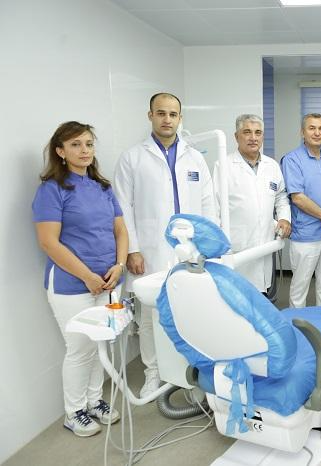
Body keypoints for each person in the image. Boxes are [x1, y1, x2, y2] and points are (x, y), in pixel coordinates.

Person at [114, 92, 216, 398]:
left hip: (191, 250)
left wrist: (209, 243)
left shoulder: (195, 158)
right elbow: (123, 208)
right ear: (150, 116)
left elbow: (208, 204)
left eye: (173, 114)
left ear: (180, 118)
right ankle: (153, 372)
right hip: (150, 251)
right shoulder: (133, 158)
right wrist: (132, 249)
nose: (167, 119)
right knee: (151, 316)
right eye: (161, 113)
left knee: (192, 311)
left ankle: (190, 369)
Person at [32, 121, 125, 437]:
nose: (84, 150)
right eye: (75, 144)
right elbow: (48, 242)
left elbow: (120, 230)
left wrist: (119, 265)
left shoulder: (103, 187)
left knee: (99, 345)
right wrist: (87, 276)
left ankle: (94, 401)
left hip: (108, 281)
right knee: (80, 349)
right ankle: (74, 413)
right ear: (60, 152)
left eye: (88, 144)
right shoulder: (52, 190)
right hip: (72, 286)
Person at [212, 114, 291, 293]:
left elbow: (281, 197)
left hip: (264, 244)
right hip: (236, 245)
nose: (253, 137)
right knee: (236, 296)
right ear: (236, 136)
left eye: (258, 132)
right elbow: (214, 206)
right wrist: (216, 244)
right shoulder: (223, 165)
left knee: (261, 294)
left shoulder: (272, 165)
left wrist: (284, 219)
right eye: (247, 132)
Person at [281, 113, 321, 308]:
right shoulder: (293, 159)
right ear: (302, 132)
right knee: (300, 287)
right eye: (312, 128)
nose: (317, 133)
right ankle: (295, 323)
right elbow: (297, 197)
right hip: (306, 235)